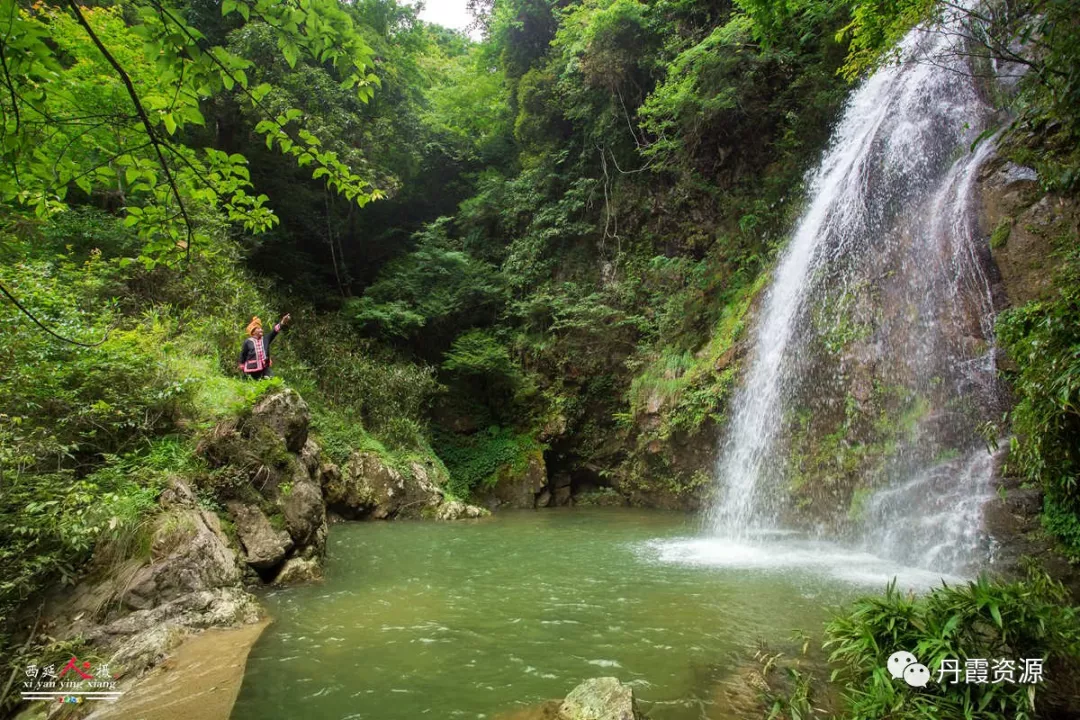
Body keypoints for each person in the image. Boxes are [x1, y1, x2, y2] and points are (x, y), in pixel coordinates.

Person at [239, 314, 291, 379]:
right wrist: (242, 365)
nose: (261, 330)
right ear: (253, 332)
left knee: (271, 378)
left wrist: (282, 322)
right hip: (252, 368)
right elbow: (243, 354)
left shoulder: (265, 339)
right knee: (254, 381)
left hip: (264, 367)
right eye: (258, 329)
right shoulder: (247, 342)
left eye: (261, 328)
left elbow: (274, 331)